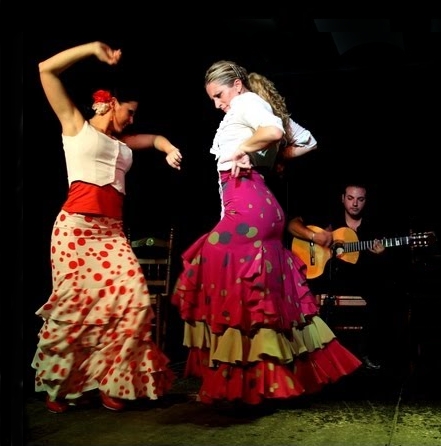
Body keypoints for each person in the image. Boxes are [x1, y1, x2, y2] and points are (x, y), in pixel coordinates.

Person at [171, 60, 362, 407]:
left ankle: (236, 380)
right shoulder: (253, 106)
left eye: (219, 95)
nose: (218, 103)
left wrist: (247, 149)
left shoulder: (246, 103)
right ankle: (263, 379)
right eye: (213, 99)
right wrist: (273, 158)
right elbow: (307, 141)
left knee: (214, 270)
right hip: (259, 205)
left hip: (248, 205)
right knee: (254, 295)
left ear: (237, 85)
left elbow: (274, 131)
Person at [31, 41, 182, 413]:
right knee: (75, 309)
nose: (132, 120)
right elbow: (45, 70)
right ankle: (60, 387)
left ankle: (113, 381)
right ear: (111, 102)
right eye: (128, 112)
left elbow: (150, 139)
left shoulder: (123, 141)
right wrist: (91, 50)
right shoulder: (75, 126)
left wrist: (167, 147)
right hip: (76, 231)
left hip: (112, 234)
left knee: (132, 300)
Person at [288, 182, 395, 370]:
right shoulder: (329, 218)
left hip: (357, 280)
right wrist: (315, 237)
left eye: (360, 199)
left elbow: (378, 267)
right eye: (351, 198)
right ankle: (312, 356)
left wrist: (381, 255)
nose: (355, 204)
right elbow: (292, 225)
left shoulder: (373, 227)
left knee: (384, 296)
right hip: (325, 279)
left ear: (366, 201)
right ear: (343, 199)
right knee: (300, 295)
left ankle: (365, 351)